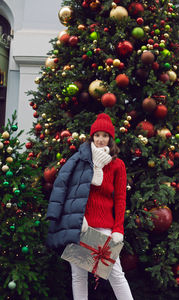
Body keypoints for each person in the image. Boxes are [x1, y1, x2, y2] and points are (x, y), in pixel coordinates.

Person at [46, 113, 134, 300]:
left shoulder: (118, 165)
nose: (100, 139)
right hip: (81, 226)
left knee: (116, 274)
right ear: (91, 137)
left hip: (105, 228)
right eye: (97, 135)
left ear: (110, 138)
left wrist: (118, 229)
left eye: (104, 135)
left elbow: (120, 199)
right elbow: (71, 193)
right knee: (78, 276)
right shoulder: (80, 162)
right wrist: (78, 218)